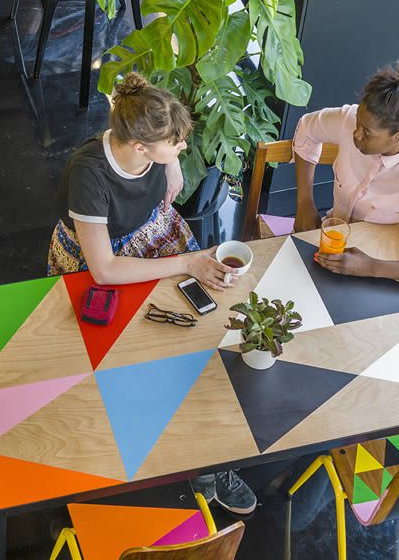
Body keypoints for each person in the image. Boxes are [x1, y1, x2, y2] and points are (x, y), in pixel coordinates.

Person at [47, 72, 257, 516]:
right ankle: (185, 455)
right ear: (140, 146)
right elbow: (103, 270)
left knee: (199, 331)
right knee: (146, 355)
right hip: (101, 262)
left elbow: (164, 147)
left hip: (151, 236)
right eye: (176, 144)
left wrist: (172, 165)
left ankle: (202, 449)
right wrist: (186, 262)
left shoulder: (147, 139)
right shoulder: (89, 173)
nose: (183, 147)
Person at [293, 62, 399, 285]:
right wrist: (304, 202)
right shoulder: (349, 120)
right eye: (358, 122)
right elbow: (306, 130)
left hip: (393, 262)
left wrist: (372, 267)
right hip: (335, 237)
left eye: (367, 133)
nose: (356, 135)